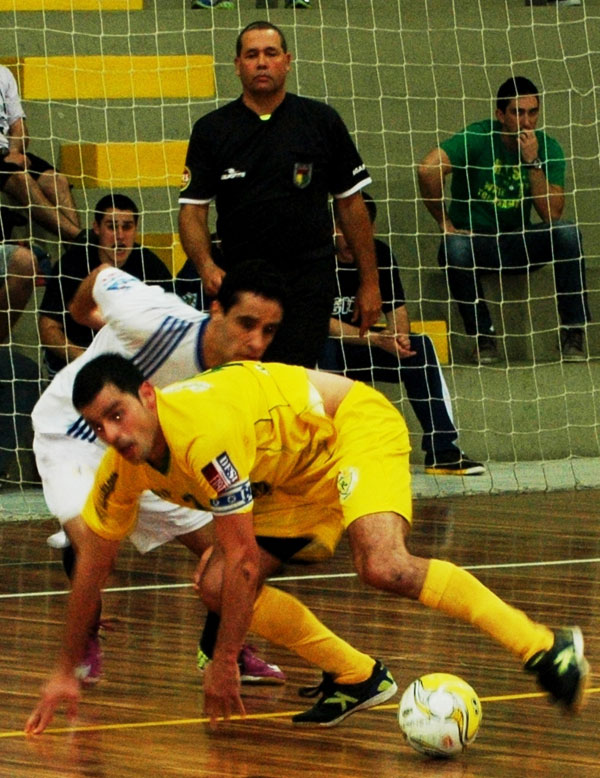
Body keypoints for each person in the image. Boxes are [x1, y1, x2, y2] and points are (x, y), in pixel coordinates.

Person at [25, 357, 589, 733]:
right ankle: (356, 675)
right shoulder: (122, 470)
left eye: (117, 414)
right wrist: (62, 668)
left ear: (147, 395)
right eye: (98, 426)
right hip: (295, 477)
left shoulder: (201, 434)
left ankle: (544, 647)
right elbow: (92, 569)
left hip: (352, 427)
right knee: (215, 585)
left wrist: (224, 661)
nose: (114, 435)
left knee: (383, 565)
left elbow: (247, 559)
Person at [33, 259, 287, 685]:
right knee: (99, 548)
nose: (256, 341)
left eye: (268, 331)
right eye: (246, 324)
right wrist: (82, 317)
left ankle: (224, 650)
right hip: (75, 436)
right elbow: (100, 275)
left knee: (236, 556)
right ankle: (83, 639)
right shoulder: (150, 317)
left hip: (147, 451)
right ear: (216, 310)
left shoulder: (242, 378)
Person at [178, 20, 381, 368]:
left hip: (308, 279)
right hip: (242, 279)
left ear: (286, 61)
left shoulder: (321, 121)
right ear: (237, 65)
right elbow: (193, 212)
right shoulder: (212, 129)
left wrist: (370, 283)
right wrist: (206, 265)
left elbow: (350, 204)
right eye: (251, 54)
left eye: (270, 53)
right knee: (245, 375)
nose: (261, 62)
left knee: (294, 377)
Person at [418, 76, 590, 364]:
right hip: (476, 243)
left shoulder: (547, 147)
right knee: (453, 247)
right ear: (500, 115)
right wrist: (444, 222)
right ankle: (483, 338)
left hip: (517, 241)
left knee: (567, 233)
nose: (526, 121)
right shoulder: (479, 136)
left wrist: (532, 161)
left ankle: (573, 333)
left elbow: (551, 214)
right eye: (517, 112)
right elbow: (427, 170)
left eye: (533, 112)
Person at [319, 193, 485, 476]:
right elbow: (317, 323)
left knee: (420, 346)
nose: (348, 239)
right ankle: (328, 452)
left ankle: (443, 449)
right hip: (324, 351)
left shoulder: (380, 254)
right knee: (323, 347)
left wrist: (399, 338)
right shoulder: (315, 257)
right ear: (332, 228)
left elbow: (398, 315)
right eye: (342, 229)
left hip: (365, 346)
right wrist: (374, 339)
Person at [39, 194, 174, 378]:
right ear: (96, 228)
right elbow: (48, 327)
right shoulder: (71, 264)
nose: (120, 236)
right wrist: (84, 358)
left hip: (131, 365)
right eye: (112, 227)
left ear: (136, 229)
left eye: (127, 227)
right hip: (77, 362)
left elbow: (167, 327)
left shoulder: (151, 267)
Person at [0, 65, 81, 242]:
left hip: (5, 153)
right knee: (21, 179)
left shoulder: (4, 74)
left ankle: (78, 252)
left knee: (56, 180)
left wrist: (14, 153)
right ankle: (80, 241)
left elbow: (19, 127)